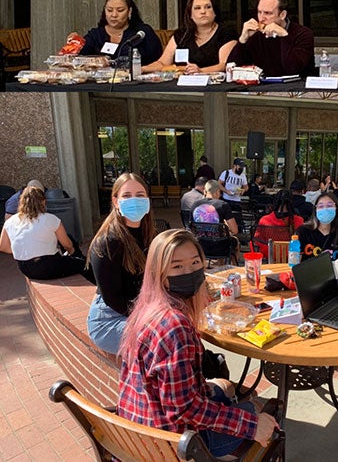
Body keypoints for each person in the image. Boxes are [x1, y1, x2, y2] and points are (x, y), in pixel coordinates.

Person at [118, 229, 279, 455]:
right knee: (262, 412)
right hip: (173, 442)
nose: (190, 272)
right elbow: (183, 410)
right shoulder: (174, 326)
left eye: (195, 263)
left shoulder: (147, 310)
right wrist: (251, 425)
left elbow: (174, 393)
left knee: (225, 388)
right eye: (177, 266)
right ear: (160, 274)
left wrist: (207, 389)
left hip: (139, 426)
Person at [86, 173, 156, 354]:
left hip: (141, 309)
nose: (134, 200)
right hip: (110, 319)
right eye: (126, 195)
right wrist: (150, 317)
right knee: (164, 338)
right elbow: (113, 299)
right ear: (116, 201)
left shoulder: (150, 235)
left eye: (140, 195)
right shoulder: (108, 242)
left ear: (147, 199)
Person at [0, 185, 86, 279]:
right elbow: (67, 244)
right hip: (48, 267)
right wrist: (72, 252)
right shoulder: (50, 219)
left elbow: (3, 247)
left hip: (25, 268)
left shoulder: (10, 221)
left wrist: (24, 251)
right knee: (83, 264)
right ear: (43, 201)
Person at [143, 0, 237, 74]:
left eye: (208, 7)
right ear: (190, 14)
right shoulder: (181, 35)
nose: (203, 11)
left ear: (215, 12)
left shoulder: (226, 33)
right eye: (197, 8)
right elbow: (162, 63)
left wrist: (200, 71)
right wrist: (142, 69)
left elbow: (225, 65)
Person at [227, 0, 315, 77]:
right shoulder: (256, 35)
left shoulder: (303, 34)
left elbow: (293, 68)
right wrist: (243, 40)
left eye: (267, 13)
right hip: (263, 86)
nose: (262, 18)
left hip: (297, 87)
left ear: (282, 15)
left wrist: (284, 36)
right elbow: (231, 68)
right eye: (259, 12)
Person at [79, 0, 162, 65]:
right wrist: (74, 43)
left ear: (129, 11)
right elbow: (78, 58)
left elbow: (159, 61)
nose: (114, 15)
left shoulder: (142, 32)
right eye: (109, 10)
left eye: (120, 10)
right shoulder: (95, 35)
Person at [252, 189, 304, 261]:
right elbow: (302, 243)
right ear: (292, 202)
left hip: (269, 257)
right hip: (291, 260)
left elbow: (258, 242)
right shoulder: (298, 221)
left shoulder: (264, 220)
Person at [296, 191, 338, 261]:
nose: (325, 209)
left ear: (336, 208)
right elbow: (295, 260)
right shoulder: (303, 231)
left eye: (329, 206)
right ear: (315, 210)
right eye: (320, 206)